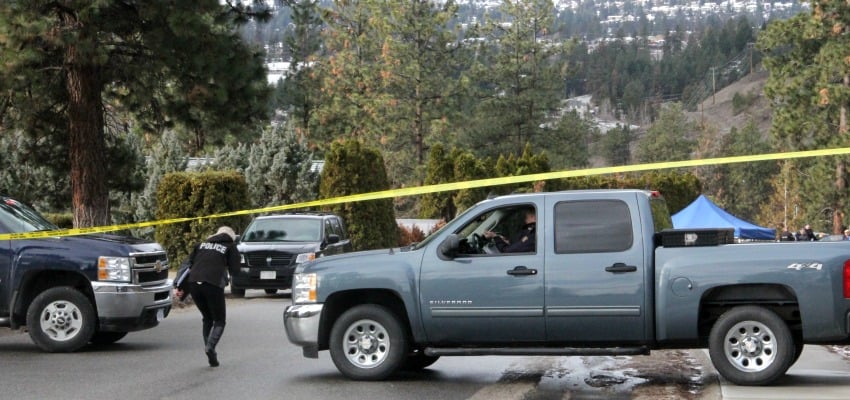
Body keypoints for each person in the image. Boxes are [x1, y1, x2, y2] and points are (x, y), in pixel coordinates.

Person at [174, 226, 240, 367]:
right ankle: (210, 348)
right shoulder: (230, 246)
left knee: (207, 318)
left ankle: (210, 350)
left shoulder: (200, 245)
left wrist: (179, 287)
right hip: (213, 284)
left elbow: (187, 266)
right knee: (219, 320)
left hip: (194, 284)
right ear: (231, 238)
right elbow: (235, 271)